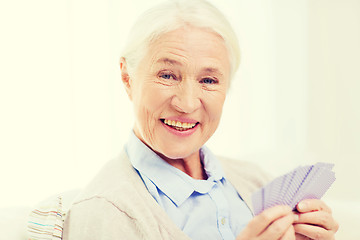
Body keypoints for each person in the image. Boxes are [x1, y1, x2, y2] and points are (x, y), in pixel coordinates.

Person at [63, 0, 339, 239]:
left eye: (208, 80)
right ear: (127, 78)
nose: (186, 103)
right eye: (167, 75)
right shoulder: (103, 211)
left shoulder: (256, 180)